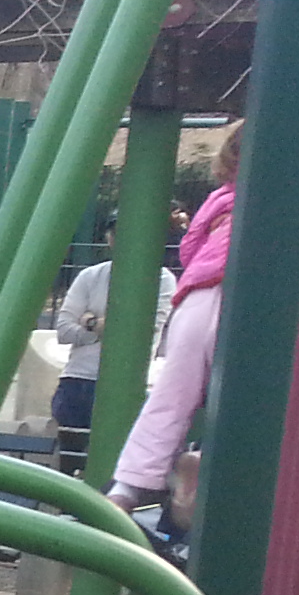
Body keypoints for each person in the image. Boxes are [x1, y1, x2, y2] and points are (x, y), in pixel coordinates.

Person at [107, 122, 244, 513]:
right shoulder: (293, 196)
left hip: (196, 299)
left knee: (171, 397)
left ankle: (126, 489)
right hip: (248, 297)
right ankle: (205, 463)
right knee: (252, 398)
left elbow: (189, 250)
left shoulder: (221, 199)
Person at [50, 228, 175, 465]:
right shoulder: (90, 275)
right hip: (77, 380)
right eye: (115, 233)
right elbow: (64, 330)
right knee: (70, 459)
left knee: (118, 461)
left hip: (126, 382)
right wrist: (99, 328)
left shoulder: (163, 279)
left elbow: (143, 329)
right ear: (109, 238)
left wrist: (88, 320)